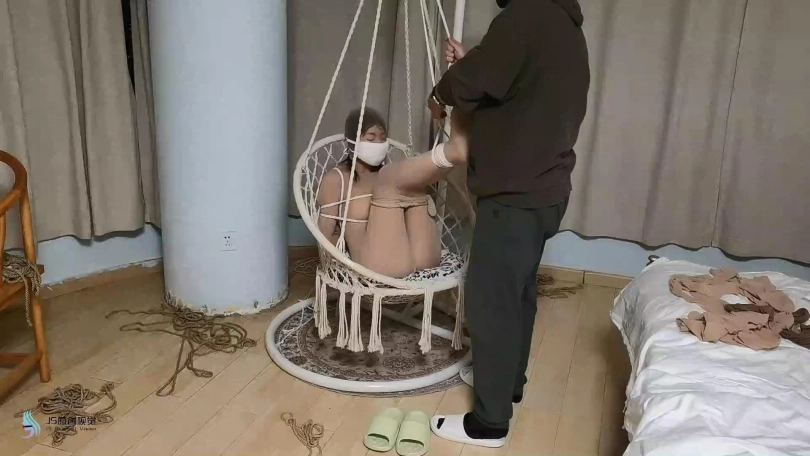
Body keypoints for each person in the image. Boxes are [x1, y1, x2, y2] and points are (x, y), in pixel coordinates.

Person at [426, 0, 590, 448]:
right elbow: (513, 83)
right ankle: (509, 384)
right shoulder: (564, 26)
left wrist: (440, 94)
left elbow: (475, 81)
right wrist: (474, 60)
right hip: (546, 191)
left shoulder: (523, 18)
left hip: (515, 195)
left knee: (491, 303)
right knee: (517, 293)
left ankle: (489, 422)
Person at [316, 107, 471, 278]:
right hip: (374, 267)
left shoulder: (391, 179)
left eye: (383, 139)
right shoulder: (337, 179)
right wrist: (343, 270)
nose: (378, 143)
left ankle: (453, 149)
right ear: (352, 141)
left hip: (423, 260)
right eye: (371, 138)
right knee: (388, 178)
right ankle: (450, 152)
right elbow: (326, 237)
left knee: (410, 183)